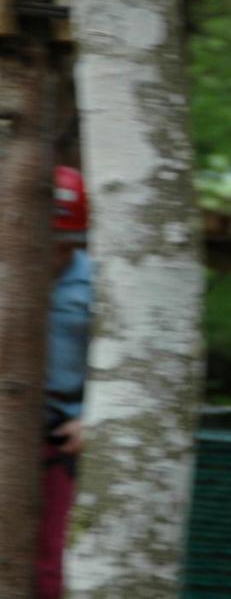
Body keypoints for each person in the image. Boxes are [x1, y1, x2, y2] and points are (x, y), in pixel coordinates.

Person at [36, 165, 93, 599]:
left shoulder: (95, 282)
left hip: (63, 433)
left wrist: (93, 417)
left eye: (61, 241)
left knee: (54, 557)